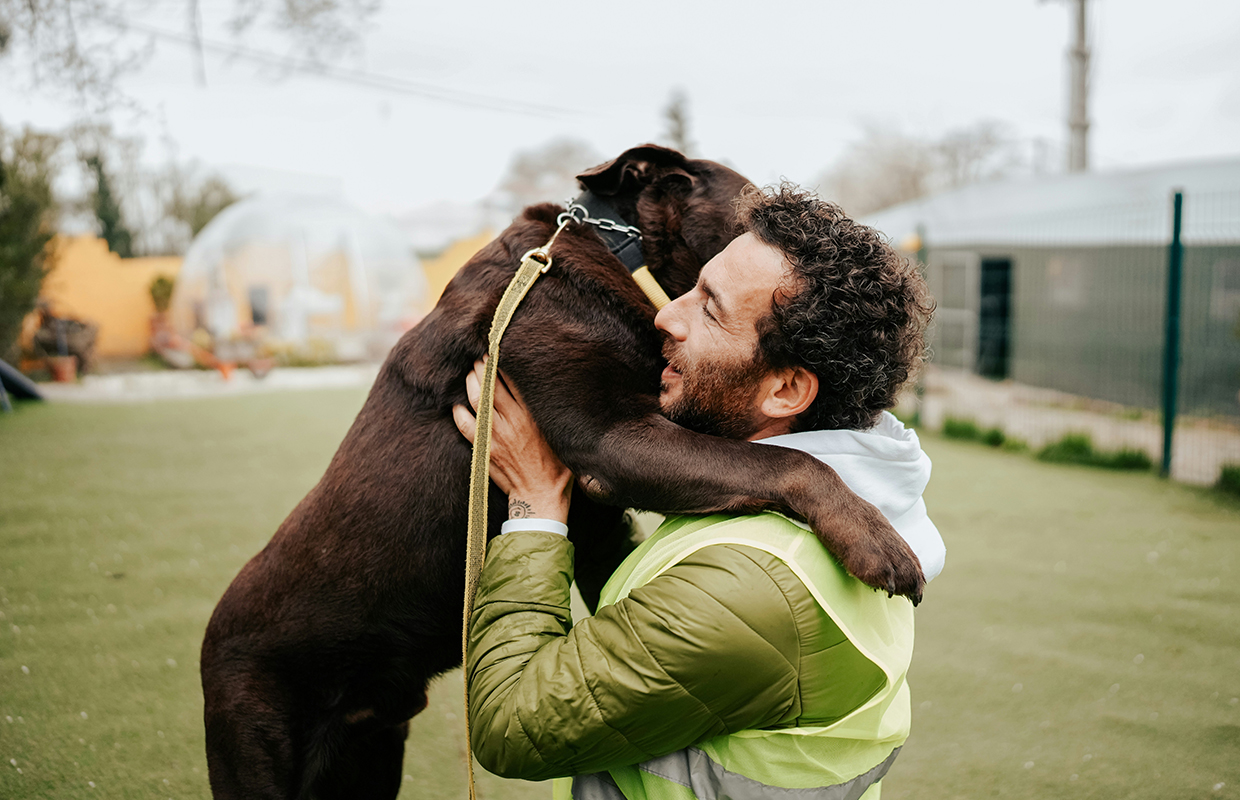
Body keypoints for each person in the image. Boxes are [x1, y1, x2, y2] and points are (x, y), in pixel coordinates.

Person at [452, 183, 944, 800]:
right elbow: (645, 620)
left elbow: (509, 727)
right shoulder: (864, 511)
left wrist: (534, 512)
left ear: (786, 391)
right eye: (691, 285)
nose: (665, 315)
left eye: (709, 310)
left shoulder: (750, 590)